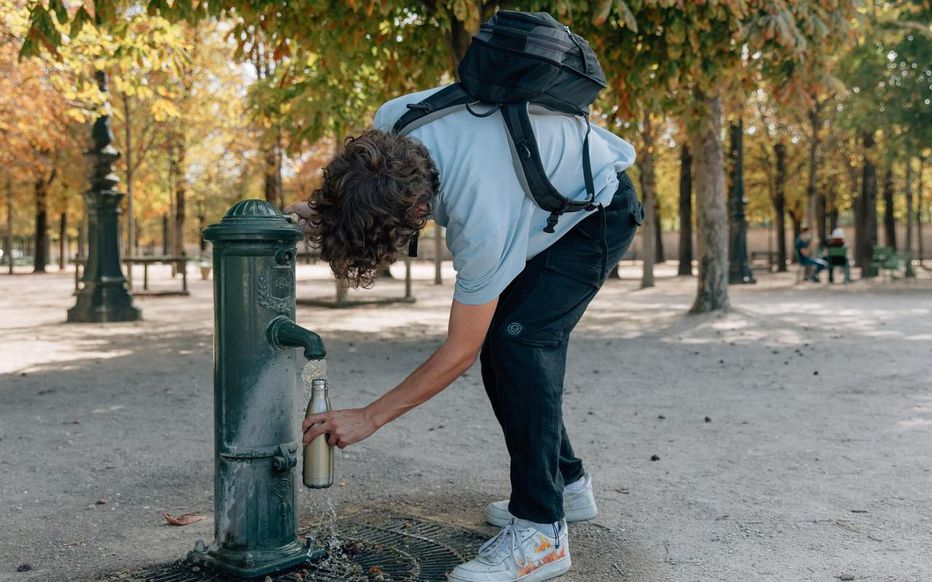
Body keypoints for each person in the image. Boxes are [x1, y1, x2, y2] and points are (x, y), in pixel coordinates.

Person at [289, 86, 642, 582]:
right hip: (543, 197)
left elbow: (460, 350)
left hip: (596, 213)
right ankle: (566, 484)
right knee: (509, 340)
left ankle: (542, 531)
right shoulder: (395, 122)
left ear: (419, 214)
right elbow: (366, 187)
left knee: (518, 341)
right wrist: (331, 210)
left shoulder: (481, 215)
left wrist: (370, 416)